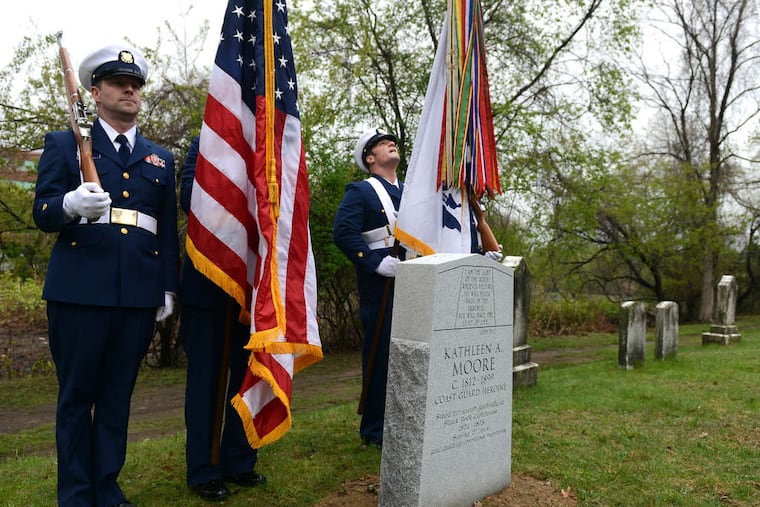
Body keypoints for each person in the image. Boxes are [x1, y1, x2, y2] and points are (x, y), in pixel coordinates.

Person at [32, 44, 179, 507]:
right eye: (119, 82)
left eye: (135, 84)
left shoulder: (160, 159)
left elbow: (167, 230)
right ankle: (75, 495)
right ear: (94, 93)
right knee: (77, 398)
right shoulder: (66, 144)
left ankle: (106, 488)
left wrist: (167, 285)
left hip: (136, 293)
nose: (130, 89)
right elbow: (43, 211)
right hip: (79, 293)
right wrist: (70, 206)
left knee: (117, 397)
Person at [179, 135, 267, 502]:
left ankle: (240, 461)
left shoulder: (268, 150)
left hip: (254, 286)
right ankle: (205, 468)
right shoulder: (205, 141)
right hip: (209, 285)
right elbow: (190, 200)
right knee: (207, 383)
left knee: (248, 378)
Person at [333, 128, 405, 448]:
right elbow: (343, 232)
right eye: (381, 144)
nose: (391, 144)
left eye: (392, 141)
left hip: (415, 280)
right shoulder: (361, 191)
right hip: (381, 286)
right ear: (370, 158)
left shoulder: (411, 192)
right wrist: (375, 262)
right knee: (381, 355)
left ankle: (404, 420)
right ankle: (374, 429)